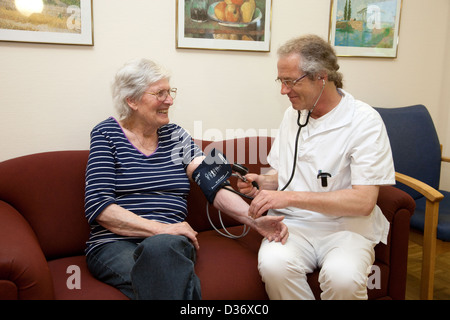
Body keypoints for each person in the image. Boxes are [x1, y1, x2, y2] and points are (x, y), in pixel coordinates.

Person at [84, 58, 288, 300]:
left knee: (161, 253)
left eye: (170, 92)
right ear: (132, 100)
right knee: (164, 279)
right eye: (160, 93)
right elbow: (99, 206)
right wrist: (163, 229)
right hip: (115, 243)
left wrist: (253, 220)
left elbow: (212, 183)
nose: (169, 100)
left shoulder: (176, 136)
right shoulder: (106, 134)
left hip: (170, 246)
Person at [237, 35, 395, 300]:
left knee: (342, 278)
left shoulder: (364, 121)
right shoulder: (293, 115)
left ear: (321, 77)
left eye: (290, 81)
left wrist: (287, 197)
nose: (283, 91)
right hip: (294, 225)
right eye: (281, 81)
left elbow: (364, 202)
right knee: (274, 266)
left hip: (347, 228)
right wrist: (263, 184)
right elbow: (287, 177)